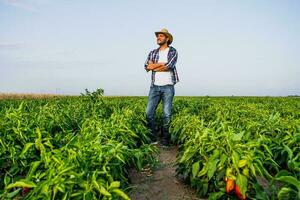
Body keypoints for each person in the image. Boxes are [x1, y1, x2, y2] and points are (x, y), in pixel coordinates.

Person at [144, 28, 179, 147]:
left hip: (168, 87)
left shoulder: (173, 51)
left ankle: (165, 140)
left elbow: (169, 66)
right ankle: (152, 137)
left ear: (167, 39)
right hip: (154, 87)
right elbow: (147, 66)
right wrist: (161, 63)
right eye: (157, 36)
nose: (158, 38)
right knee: (148, 113)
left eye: (161, 36)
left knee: (167, 114)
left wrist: (155, 66)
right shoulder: (152, 52)